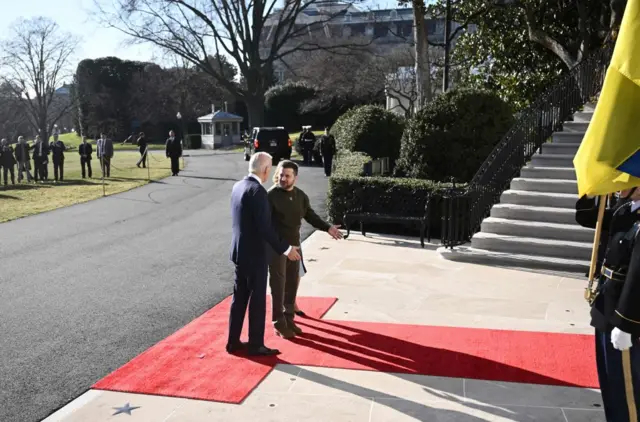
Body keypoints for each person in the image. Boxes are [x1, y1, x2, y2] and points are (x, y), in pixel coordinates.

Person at [227, 152, 301, 356]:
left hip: (239, 253)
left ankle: (233, 341)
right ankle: (255, 344)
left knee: (239, 298)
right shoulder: (257, 191)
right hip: (255, 255)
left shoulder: (238, 186)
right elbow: (265, 228)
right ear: (266, 169)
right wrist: (286, 249)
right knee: (257, 300)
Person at [267, 160, 343, 338]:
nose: (283, 178)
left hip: (295, 246)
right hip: (277, 248)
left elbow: (310, 215)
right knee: (278, 286)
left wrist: (328, 228)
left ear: (295, 177)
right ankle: (278, 323)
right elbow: (266, 226)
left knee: (292, 284)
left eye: (287, 175)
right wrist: (281, 247)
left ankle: (289, 319)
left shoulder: (300, 196)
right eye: (280, 174)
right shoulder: (270, 196)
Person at [584, 187, 640, 422]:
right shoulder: (626, 210)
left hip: (624, 314)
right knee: (610, 383)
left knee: (627, 390)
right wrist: (590, 190)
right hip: (607, 306)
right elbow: (589, 217)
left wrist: (626, 322)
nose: (618, 185)